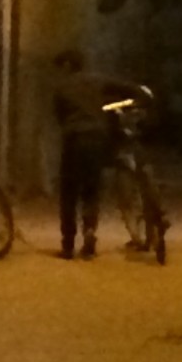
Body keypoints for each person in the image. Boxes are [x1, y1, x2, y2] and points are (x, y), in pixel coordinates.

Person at [52, 48, 142, 260]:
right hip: (97, 139)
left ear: (66, 66)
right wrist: (140, 95)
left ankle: (68, 244)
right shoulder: (98, 81)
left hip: (74, 139)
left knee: (69, 192)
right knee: (91, 189)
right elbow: (129, 88)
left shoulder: (61, 87)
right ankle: (90, 231)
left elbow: (59, 117)